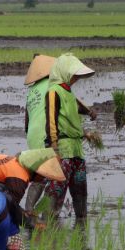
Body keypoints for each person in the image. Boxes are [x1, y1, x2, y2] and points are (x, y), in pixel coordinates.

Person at [23, 55, 96, 216]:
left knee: (40, 176)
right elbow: (76, 106)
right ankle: (42, 217)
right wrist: (90, 112)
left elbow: (27, 120)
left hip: (37, 137)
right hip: (53, 138)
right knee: (55, 181)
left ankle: (29, 212)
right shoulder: (53, 88)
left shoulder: (32, 91)